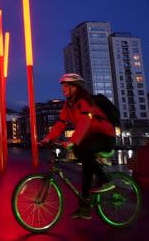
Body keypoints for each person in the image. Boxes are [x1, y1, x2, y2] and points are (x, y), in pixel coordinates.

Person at [41, 73, 116, 220]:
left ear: (75, 87)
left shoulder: (84, 101)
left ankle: (105, 179)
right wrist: (48, 138)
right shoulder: (68, 104)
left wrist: (73, 141)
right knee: (86, 170)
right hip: (90, 138)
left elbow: (84, 122)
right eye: (62, 86)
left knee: (81, 149)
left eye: (66, 86)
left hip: (105, 136)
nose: (63, 89)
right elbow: (61, 123)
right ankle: (84, 209)